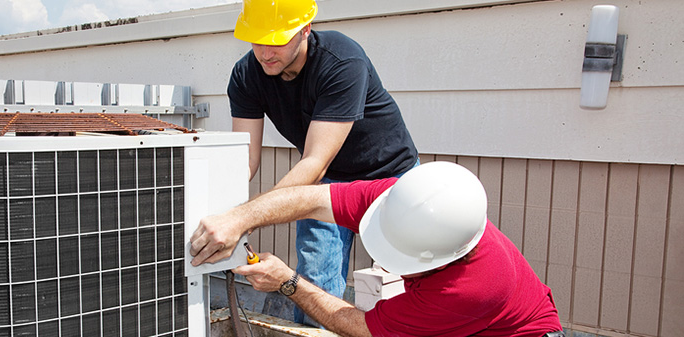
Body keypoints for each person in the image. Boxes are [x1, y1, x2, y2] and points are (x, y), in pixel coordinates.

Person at [190, 162, 563, 336]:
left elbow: (359, 326)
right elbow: (307, 199)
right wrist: (239, 219)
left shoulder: (467, 289)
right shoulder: (402, 199)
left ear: (443, 261)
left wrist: (288, 281)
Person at [225, 0, 419, 324]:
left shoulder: (341, 61)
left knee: (410, 281)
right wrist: (223, 210)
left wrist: (244, 218)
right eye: (258, 39)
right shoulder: (247, 74)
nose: (265, 51)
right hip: (326, 183)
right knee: (313, 284)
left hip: (390, 178)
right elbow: (246, 158)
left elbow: (315, 161)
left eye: (277, 40)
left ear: (305, 29)